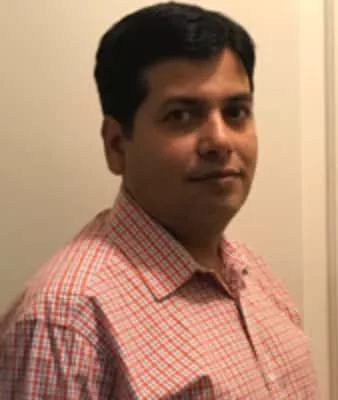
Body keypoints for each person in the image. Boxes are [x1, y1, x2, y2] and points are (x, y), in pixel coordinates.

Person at [0, 2, 319, 399]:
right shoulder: (67, 321)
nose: (220, 140)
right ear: (117, 145)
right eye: (181, 116)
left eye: (236, 112)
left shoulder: (252, 273)